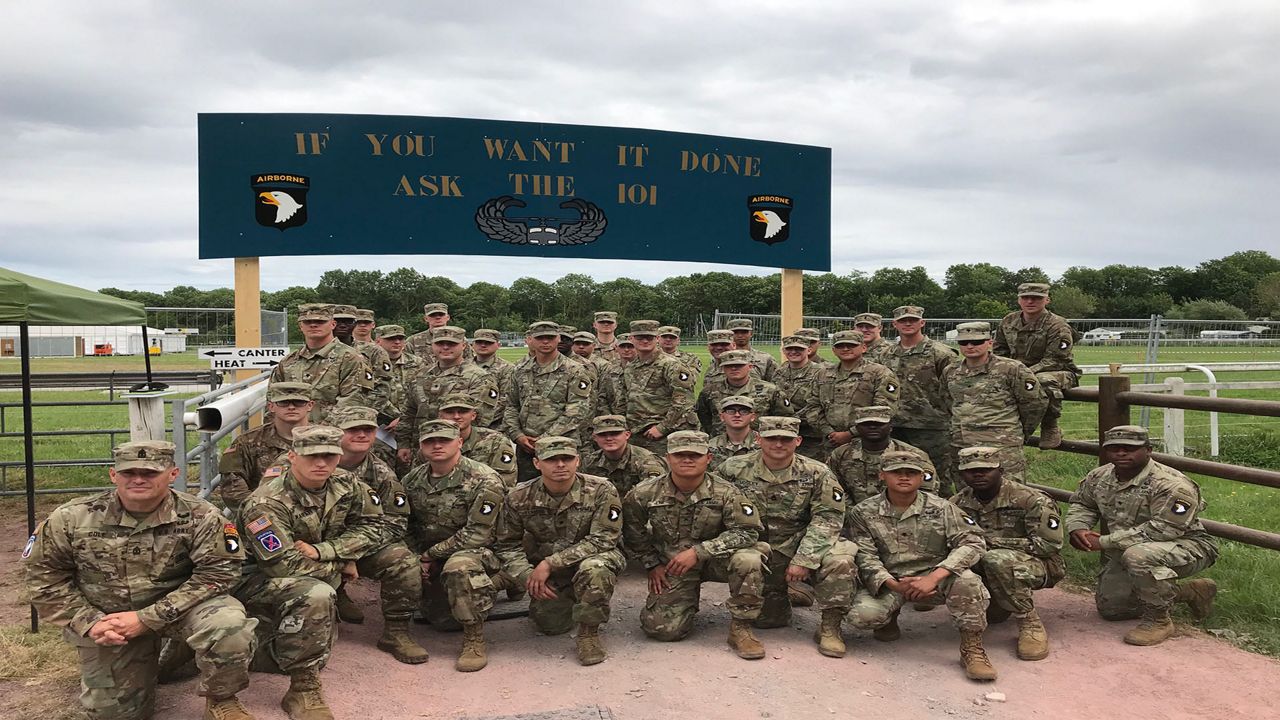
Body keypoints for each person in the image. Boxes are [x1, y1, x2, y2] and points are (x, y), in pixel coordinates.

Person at [24, 440, 257, 720]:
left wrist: (148, 618)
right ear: (113, 475)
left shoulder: (202, 516)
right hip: (112, 621)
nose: (138, 479)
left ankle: (221, 698)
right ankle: (168, 660)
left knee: (228, 625)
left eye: (149, 473)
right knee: (114, 714)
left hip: (179, 611)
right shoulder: (71, 518)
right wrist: (90, 622)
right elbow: (44, 579)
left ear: (173, 474)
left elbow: (219, 573)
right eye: (128, 472)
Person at [233, 426, 400, 718]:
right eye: (311, 456)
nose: (321, 463)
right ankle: (303, 688)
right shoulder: (266, 502)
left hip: (311, 565)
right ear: (292, 456)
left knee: (315, 616)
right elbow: (285, 566)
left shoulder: (345, 483)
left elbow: (378, 526)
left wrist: (330, 550)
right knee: (317, 593)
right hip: (253, 577)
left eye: (328, 456)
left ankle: (285, 662)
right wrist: (342, 564)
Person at [846, 451, 997, 681]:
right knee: (862, 616)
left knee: (967, 581)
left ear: (922, 477)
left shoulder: (942, 508)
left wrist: (935, 577)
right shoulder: (863, 512)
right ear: (882, 476)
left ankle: (972, 648)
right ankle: (889, 616)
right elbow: (865, 556)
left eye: (911, 473)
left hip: (934, 579)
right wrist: (893, 585)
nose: (904, 477)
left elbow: (973, 541)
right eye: (897, 472)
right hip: (891, 580)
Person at [715, 417, 857, 657]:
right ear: (758, 439)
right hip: (755, 546)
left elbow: (828, 519)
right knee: (770, 619)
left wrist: (804, 558)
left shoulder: (817, 472)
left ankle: (830, 627)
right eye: (772, 438)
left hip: (798, 545)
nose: (778, 444)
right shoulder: (732, 468)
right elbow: (716, 509)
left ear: (798, 441)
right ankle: (741, 627)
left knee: (841, 559)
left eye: (786, 439)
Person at [1065, 425, 1219, 646]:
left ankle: (1159, 621)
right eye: (1114, 448)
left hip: (1187, 545)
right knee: (1112, 609)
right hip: (1129, 548)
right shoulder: (1099, 476)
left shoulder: (1171, 484)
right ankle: (1192, 592)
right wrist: (1078, 528)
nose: (1121, 453)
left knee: (1138, 556)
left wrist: (1103, 542)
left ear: (1148, 450)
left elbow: (1164, 530)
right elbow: (1083, 503)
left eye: (1130, 448)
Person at [622, 430, 769, 659]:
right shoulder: (644, 493)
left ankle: (741, 628)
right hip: (675, 566)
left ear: (708, 458)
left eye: (695, 455)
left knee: (749, 558)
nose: (687, 460)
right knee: (662, 629)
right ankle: (686, 603)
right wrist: (651, 564)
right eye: (680, 455)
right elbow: (632, 531)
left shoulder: (726, 492)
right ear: (668, 458)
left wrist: (699, 551)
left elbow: (748, 531)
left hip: (717, 560)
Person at [495, 436, 626, 665]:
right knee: (550, 625)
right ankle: (571, 596)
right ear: (537, 463)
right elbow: (507, 545)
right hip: (550, 571)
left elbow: (604, 539)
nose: (560, 465)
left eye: (566, 458)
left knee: (595, 569)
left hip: (592, 558)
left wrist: (550, 563)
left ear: (578, 461)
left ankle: (589, 633)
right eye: (552, 459)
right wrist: (527, 576)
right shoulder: (519, 496)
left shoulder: (601, 489)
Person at [400, 420, 508, 671]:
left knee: (459, 568)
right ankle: (491, 587)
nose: (437, 445)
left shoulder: (485, 479)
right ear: (420, 447)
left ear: (459, 442)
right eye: (429, 441)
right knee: (443, 621)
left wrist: (430, 555)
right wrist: (416, 557)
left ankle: (474, 638)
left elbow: (477, 534)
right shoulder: (411, 480)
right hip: (432, 556)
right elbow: (404, 525)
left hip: (477, 552)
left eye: (444, 440)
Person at [327, 407, 429, 666]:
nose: (361, 435)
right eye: (353, 429)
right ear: (336, 432)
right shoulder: (313, 462)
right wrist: (330, 551)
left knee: (403, 561)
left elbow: (395, 522)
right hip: (314, 547)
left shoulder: (381, 472)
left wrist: (347, 550)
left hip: (358, 546)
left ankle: (396, 632)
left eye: (368, 430)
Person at [950, 446, 1063, 661]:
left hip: (1039, 564)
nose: (978, 474)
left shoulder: (1031, 500)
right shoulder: (956, 504)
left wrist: (987, 544)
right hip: (986, 564)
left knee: (995, 558)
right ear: (961, 474)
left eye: (986, 469)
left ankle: (1029, 621)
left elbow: (1048, 545)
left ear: (1001, 470)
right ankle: (996, 604)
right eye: (971, 470)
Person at [942, 322, 1046, 484]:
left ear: (989, 342)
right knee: (967, 495)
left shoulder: (1011, 369)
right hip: (963, 446)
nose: (970, 346)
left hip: (1002, 447)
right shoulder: (951, 371)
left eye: (977, 342)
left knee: (1010, 495)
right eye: (964, 342)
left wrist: (1016, 433)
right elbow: (947, 401)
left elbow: (1034, 404)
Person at [993, 283, 1082, 449]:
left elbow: (1056, 359)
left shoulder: (1057, 325)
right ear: (1019, 300)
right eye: (1025, 297)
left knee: (1043, 381)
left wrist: (1022, 373)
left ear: (1047, 300)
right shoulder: (1008, 321)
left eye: (1036, 298)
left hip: (1058, 371)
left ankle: (1050, 426)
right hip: (1018, 371)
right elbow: (999, 351)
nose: (1030, 301)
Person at [503, 321, 594, 481]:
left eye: (550, 337)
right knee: (528, 494)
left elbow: (577, 411)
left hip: (561, 446)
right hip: (527, 448)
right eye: (540, 338)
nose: (545, 342)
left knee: (565, 493)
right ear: (531, 339)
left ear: (558, 338)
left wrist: (546, 438)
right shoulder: (519, 370)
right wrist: (517, 435)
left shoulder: (575, 370)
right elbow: (511, 405)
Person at [396, 326, 499, 462]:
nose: (445, 347)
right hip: (421, 450)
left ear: (463, 345)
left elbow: (479, 420)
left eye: (451, 344)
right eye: (440, 343)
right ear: (432, 345)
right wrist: (403, 443)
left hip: (459, 452)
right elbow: (408, 413)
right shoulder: (420, 375)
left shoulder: (478, 377)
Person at [883, 306, 957, 489]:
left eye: (913, 320)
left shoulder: (941, 353)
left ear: (922, 323)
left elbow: (953, 390)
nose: (908, 323)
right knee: (900, 475)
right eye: (902, 320)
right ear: (895, 324)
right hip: (896, 425)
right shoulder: (885, 355)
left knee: (937, 477)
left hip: (931, 427)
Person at [219, 382, 312, 513]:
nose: (291, 407)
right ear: (271, 406)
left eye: (298, 402)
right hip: (264, 514)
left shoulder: (326, 438)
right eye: (283, 403)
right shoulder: (247, 442)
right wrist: (259, 511)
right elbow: (232, 489)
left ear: (310, 406)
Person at [271, 303, 374, 422]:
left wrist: (319, 432)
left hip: (332, 436)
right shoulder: (288, 362)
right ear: (300, 326)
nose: (313, 325)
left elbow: (352, 403)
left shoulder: (350, 358)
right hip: (292, 434)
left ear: (333, 324)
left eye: (320, 322)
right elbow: (273, 400)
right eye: (307, 322)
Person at [805, 330, 900, 457]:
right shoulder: (822, 374)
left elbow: (885, 409)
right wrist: (829, 432)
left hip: (868, 443)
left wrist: (851, 433)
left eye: (851, 345)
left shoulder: (879, 373)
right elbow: (812, 406)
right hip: (831, 442)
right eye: (840, 346)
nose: (845, 349)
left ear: (864, 347)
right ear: (834, 350)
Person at [829, 406, 936, 504]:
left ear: (890, 427)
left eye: (879, 424)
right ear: (857, 429)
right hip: (853, 516)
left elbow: (928, 492)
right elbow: (832, 487)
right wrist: (856, 513)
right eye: (866, 424)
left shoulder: (915, 456)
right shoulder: (841, 454)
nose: (872, 427)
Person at [621, 320, 698, 455]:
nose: (645, 341)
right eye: (640, 337)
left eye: (649, 337)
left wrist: (663, 428)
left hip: (661, 434)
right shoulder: (630, 367)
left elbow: (684, 401)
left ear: (657, 338)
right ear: (631, 339)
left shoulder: (671, 365)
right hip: (636, 433)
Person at [695, 350, 791, 436]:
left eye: (739, 365)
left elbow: (786, 417)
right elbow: (704, 417)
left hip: (759, 445)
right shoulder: (709, 391)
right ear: (723, 368)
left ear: (750, 367)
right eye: (729, 366)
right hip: (721, 446)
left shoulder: (770, 390)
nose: (734, 368)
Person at [433, 393, 518, 487]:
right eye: (449, 412)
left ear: (473, 415)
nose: (456, 416)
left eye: (462, 411)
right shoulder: (431, 443)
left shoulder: (495, 441)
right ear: (440, 417)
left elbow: (506, 480)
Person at [334, 305, 398, 426]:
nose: (342, 325)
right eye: (338, 321)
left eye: (349, 321)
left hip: (361, 417)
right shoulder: (315, 353)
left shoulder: (373, 351)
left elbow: (382, 389)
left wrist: (363, 415)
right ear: (331, 323)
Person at [374, 324, 426, 472]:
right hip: (382, 425)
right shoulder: (369, 363)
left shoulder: (418, 363)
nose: (397, 342)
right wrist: (397, 417)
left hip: (411, 424)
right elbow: (372, 394)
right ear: (378, 341)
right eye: (391, 339)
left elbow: (422, 394)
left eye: (400, 339)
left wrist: (402, 419)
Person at [579, 414, 668, 500]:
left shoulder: (646, 461)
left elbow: (657, 495)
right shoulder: (589, 461)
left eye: (615, 433)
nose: (609, 438)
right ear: (594, 438)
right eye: (603, 435)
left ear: (627, 435)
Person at [773, 334, 826, 458]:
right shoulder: (779, 372)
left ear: (808, 350)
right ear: (783, 350)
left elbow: (819, 402)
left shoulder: (821, 373)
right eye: (789, 349)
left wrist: (793, 419)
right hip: (782, 433)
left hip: (810, 436)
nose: (793, 352)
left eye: (799, 349)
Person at [471, 328, 515, 429]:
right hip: (463, 423)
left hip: (494, 426)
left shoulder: (507, 368)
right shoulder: (463, 366)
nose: (483, 345)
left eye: (488, 343)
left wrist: (478, 419)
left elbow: (506, 400)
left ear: (498, 345)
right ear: (472, 344)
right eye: (479, 342)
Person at [707, 396, 760, 472]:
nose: (737, 415)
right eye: (731, 411)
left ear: (752, 417)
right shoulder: (710, 446)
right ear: (722, 417)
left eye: (744, 411)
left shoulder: (764, 445)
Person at [405, 302, 471, 360]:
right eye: (433, 315)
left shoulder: (459, 338)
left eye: (441, 314)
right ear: (426, 318)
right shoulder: (413, 340)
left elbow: (470, 361)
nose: (437, 317)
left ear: (448, 317)